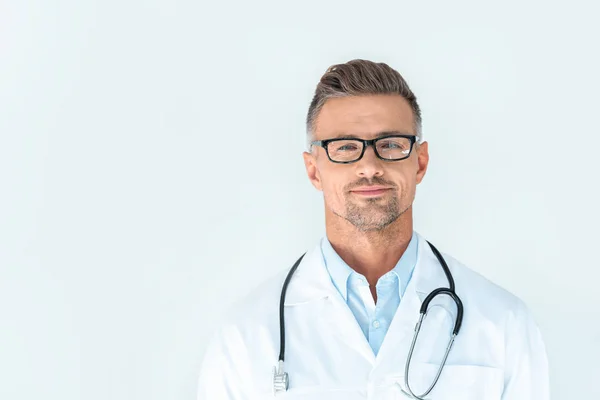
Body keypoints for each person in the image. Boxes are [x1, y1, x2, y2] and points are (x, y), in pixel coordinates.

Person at [197, 59, 550, 399]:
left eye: (391, 145)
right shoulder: (246, 335)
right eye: (346, 147)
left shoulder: (502, 324)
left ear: (420, 162)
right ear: (313, 170)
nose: (369, 166)